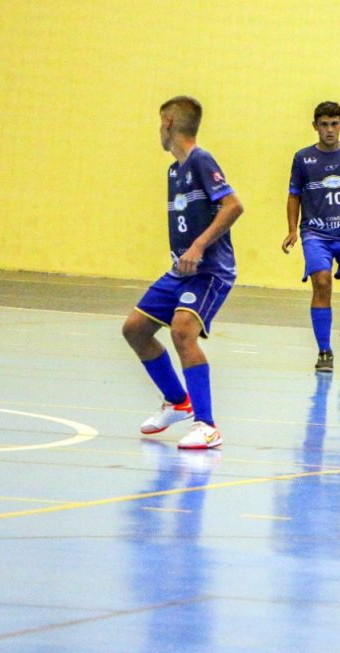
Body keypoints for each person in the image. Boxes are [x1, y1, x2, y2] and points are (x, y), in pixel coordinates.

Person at [122, 96, 244, 449]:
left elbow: (234, 205)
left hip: (210, 271)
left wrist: (199, 246)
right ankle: (178, 402)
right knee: (135, 329)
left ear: (169, 122)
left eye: (160, 123)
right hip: (180, 271)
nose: (159, 130)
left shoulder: (201, 161)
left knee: (182, 331)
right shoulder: (174, 171)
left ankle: (207, 425)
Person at [282, 101, 340, 373]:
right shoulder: (303, 159)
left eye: (334, 124)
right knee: (321, 283)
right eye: (324, 124)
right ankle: (324, 351)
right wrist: (292, 229)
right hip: (316, 233)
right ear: (315, 127)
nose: (330, 130)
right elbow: (294, 195)